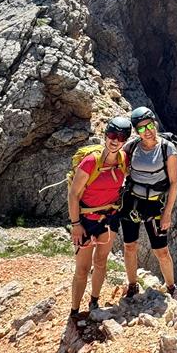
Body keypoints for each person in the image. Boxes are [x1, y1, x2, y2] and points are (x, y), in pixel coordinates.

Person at [68, 116, 131, 322]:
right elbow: (74, 195)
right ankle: (74, 312)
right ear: (105, 135)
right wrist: (76, 225)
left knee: (101, 261)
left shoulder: (123, 160)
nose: (115, 140)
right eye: (112, 135)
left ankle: (94, 301)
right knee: (82, 269)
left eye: (121, 137)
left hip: (109, 218)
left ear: (125, 140)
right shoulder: (90, 162)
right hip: (85, 221)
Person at [120, 106, 177, 298]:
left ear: (155, 123)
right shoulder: (131, 147)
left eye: (149, 125)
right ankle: (132, 285)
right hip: (132, 203)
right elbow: (117, 165)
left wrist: (167, 214)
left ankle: (171, 287)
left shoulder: (167, 148)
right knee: (129, 246)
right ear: (136, 131)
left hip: (155, 206)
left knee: (161, 251)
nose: (147, 131)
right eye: (141, 128)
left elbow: (174, 182)